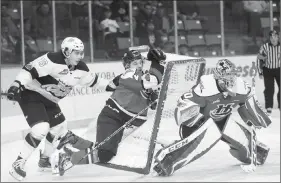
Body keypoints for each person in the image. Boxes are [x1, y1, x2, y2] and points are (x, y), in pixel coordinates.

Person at [6, 37, 109, 181]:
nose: (80, 56)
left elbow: (96, 82)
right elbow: (28, 70)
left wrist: (116, 84)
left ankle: (44, 160)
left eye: (81, 53)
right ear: (66, 51)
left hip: (49, 99)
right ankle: (18, 163)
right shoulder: (52, 59)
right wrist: (16, 84)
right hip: (31, 94)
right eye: (76, 53)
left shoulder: (81, 68)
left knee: (59, 127)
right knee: (41, 128)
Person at [55, 48, 167, 174]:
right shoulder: (129, 74)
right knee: (105, 154)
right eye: (135, 63)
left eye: (140, 62)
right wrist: (159, 63)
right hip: (113, 116)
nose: (139, 66)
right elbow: (151, 81)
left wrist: (153, 97)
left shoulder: (141, 76)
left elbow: (150, 99)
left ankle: (74, 140)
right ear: (127, 66)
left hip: (127, 121)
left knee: (103, 149)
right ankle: (68, 158)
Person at [153, 59, 272, 176]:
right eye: (227, 77)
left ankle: (252, 149)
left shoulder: (240, 87)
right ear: (218, 77)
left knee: (241, 143)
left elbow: (248, 99)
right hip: (197, 126)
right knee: (211, 133)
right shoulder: (205, 89)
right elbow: (182, 109)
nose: (231, 80)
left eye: (232, 76)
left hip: (220, 121)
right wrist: (194, 117)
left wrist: (256, 117)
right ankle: (168, 159)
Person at [257, 30, 280, 114]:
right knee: (269, 89)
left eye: (275, 36)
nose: (273, 39)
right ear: (269, 38)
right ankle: (269, 107)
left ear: (278, 37)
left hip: (279, 70)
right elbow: (259, 58)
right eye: (271, 37)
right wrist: (260, 72)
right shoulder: (265, 47)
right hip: (268, 70)